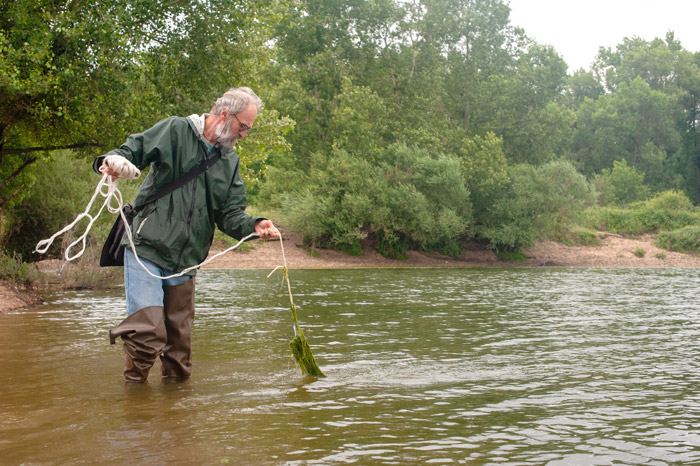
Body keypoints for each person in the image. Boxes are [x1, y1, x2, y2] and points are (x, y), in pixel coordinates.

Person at [93, 87, 280, 383]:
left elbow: (230, 215)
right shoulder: (176, 130)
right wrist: (113, 162)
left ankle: (176, 419)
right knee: (146, 333)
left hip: (186, 261)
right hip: (147, 249)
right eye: (243, 126)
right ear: (224, 114)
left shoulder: (229, 162)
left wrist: (255, 225)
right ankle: (135, 407)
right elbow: (133, 151)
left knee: (179, 350)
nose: (244, 134)